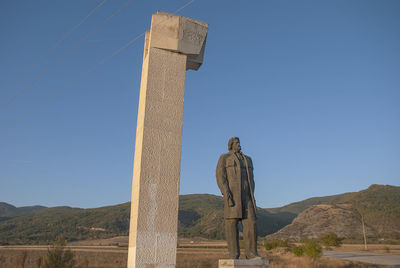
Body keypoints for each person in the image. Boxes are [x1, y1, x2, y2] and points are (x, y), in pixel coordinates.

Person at [216, 137, 261, 259]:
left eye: (239, 142)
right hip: (233, 196)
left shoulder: (248, 160)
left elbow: (252, 179)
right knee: (232, 224)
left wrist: (252, 195)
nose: (239, 145)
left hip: (247, 197)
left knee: (251, 223)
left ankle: (252, 254)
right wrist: (226, 193)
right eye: (236, 143)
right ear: (231, 145)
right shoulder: (225, 158)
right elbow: (220, 177)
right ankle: (234, 254)